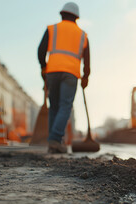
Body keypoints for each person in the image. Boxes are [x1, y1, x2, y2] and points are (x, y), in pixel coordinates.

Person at [37, 2, 90, 153]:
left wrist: (43, 67)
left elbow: (40, 50)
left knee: (54, 106)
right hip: (71, 74)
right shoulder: (83, 35)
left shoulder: (52, 29)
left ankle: (54, 143)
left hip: (52, 72)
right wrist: (86, 77)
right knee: (65, 106)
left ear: (62, 14)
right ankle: (55, 139)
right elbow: (87, 61)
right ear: (77, 17)